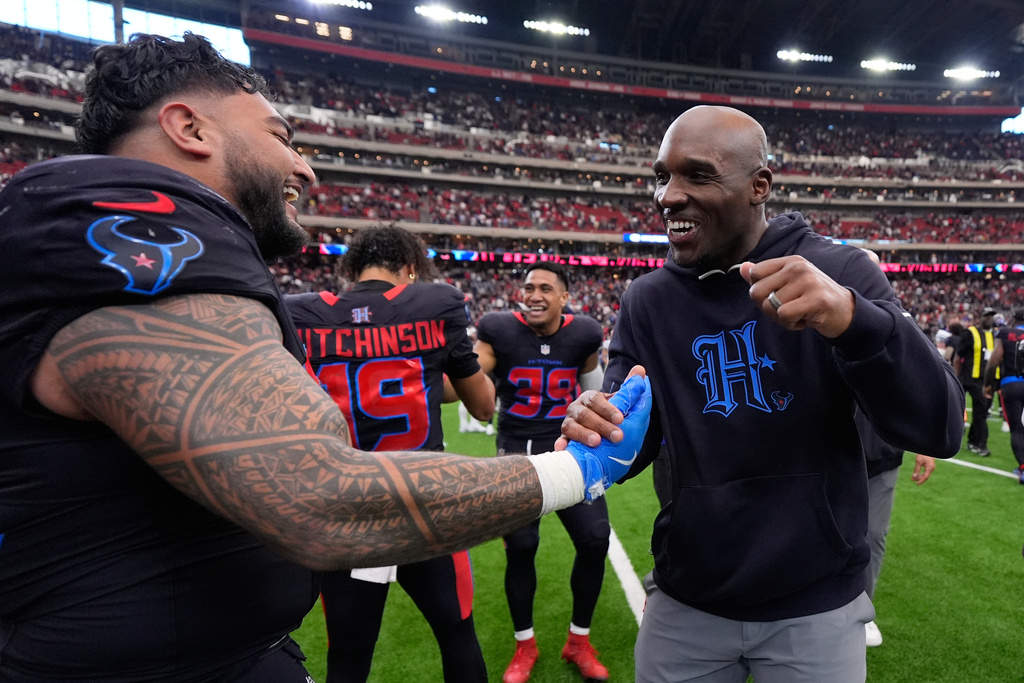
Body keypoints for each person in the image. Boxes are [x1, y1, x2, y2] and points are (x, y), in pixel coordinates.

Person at [0, 33, 652, 682]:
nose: (306, 169)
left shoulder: (174, 259)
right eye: (282, 136)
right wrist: (578, 470)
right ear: (188, 126)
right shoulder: (132, 233)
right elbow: (318, 497)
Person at [557, 105, 964, 683]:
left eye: (697, 175)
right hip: (688, 600)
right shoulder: (648, 300)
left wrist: (854, 319)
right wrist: (597, 424)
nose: (668, 196)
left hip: (817, 605)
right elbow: (632, 438)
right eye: (661, 176)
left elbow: (940, 427)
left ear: (759, 187)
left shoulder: (839, 271)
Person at [285, 225, 495, 682]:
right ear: (410, 268)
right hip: (425, 505)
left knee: (347, 658)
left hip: (349, 511)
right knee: (458, 639)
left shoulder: (298, 313)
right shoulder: (436, 302)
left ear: (351, 269)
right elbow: (482, 406)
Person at [474, 262, 610, 683]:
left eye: (545, 288)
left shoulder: (585, 332)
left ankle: (578, 641)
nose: (534, 294)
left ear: (564, 297)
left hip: (566, 452)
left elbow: (595, 390)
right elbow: (475, 379)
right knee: (522, 546)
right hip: (517, 454)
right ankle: (524, 644)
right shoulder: (497, 327)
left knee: (594, 538)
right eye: (528, 287)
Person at [855, 412, 935, 647]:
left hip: (883, 454)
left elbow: (914, 385)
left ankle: (863, 612)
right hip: (831, 451)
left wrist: (926, 444)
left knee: (875, 533)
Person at [985, 307, 1024, 483]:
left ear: (1014, 319)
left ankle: (1023, 467)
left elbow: (993, 361)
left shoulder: (1007, 333)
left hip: (1012, 383)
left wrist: (988, 384)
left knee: (1016, 428)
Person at [954, 307, 999, 456]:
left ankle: (975, 441)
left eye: (991, 316)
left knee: (982, 412)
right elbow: (958, 356)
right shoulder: (970, 333)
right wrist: (956, 377)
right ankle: (975, 441)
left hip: (985, 381)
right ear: (980, 317)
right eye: (986, 316)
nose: (989, 319)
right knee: (956, 409)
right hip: (968, 377)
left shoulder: (995, 335)